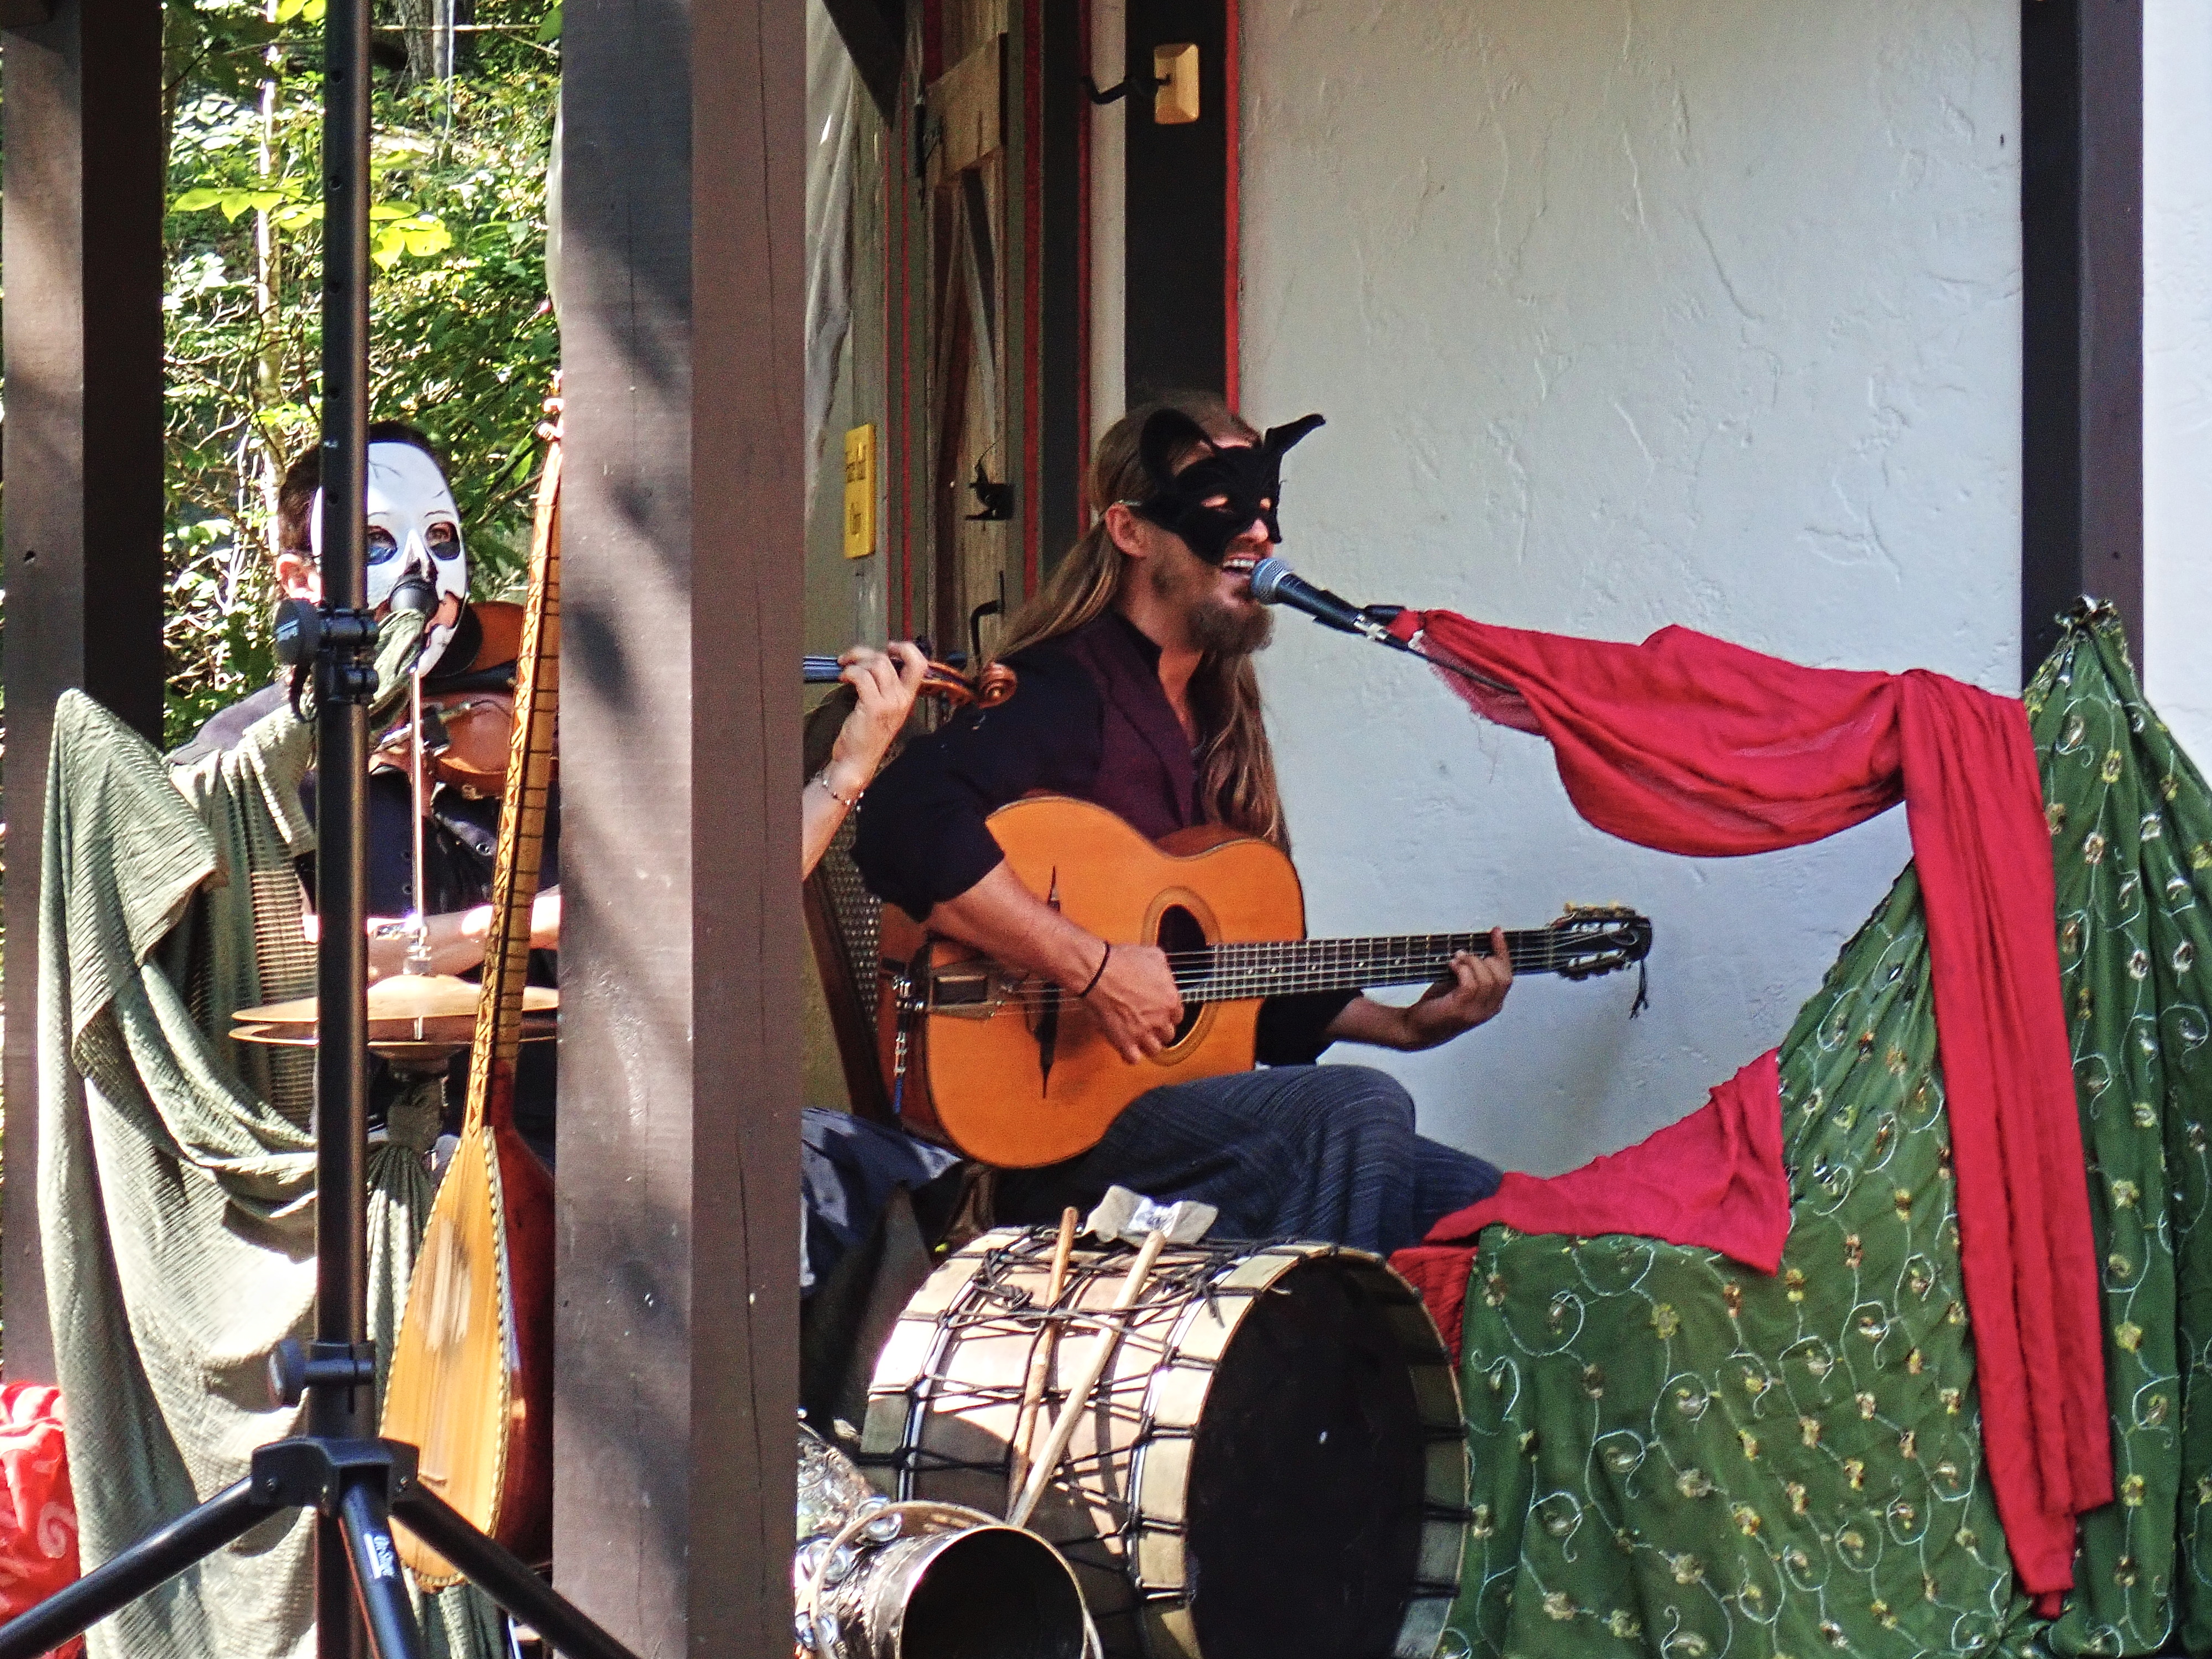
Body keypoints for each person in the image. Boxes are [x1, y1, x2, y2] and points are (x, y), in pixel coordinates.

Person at [854, 394, 1514, 1255]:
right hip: (1049, 1145)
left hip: (1171, 1124)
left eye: (1265, 510)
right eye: (1222, 503)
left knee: (1488, 1209)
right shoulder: (1065, 689)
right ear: (1131, 531)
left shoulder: (1218, 717)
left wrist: (1401, 1026)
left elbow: (1225, 988)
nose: (1260, 536)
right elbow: (903, 820)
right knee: (1356, 1109)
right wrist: (1091, 966)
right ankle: (1295, 1341)